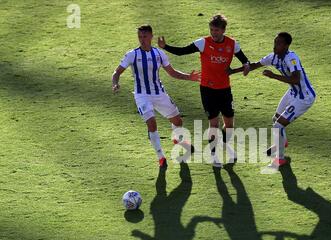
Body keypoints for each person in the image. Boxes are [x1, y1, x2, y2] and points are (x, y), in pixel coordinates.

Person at [158, 14, 251, 167]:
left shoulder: (232, 44)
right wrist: (165, 47)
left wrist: (245, 66)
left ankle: (226, 146)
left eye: (216, 30)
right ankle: (214, 155)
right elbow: (182, 52)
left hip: (225, 89)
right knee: (213, 123)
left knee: (229, 124)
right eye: (211, 30)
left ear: (223, 30)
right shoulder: (203, 43)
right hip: (207, 90)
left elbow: (245, 60)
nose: (213, 33)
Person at [112, 24, 201, 168]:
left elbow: (172, 72)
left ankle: (177, 139)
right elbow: (116, 72)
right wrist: (115, 83)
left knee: (178, 121)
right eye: (140, 37)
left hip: (159, 93)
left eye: (145, 36)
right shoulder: (132, 54)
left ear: (151, 36)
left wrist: (188, 77)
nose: (142, 40)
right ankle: (161, 157)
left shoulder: (159, 54)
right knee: (152, 123)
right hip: (142, 95)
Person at [230, 32, 316, 168]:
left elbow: (296, 79)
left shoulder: (291, 58)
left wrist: (273, 76)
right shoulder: (273, 57)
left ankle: (280, 159)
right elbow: (254, 65)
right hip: (292, 92)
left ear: (287, 46)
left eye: (279, 43)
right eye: (275, 42)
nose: (275, 46)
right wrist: (231, 71)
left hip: (304, 97)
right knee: (275, 119)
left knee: (278, 125)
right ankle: (282, 143)